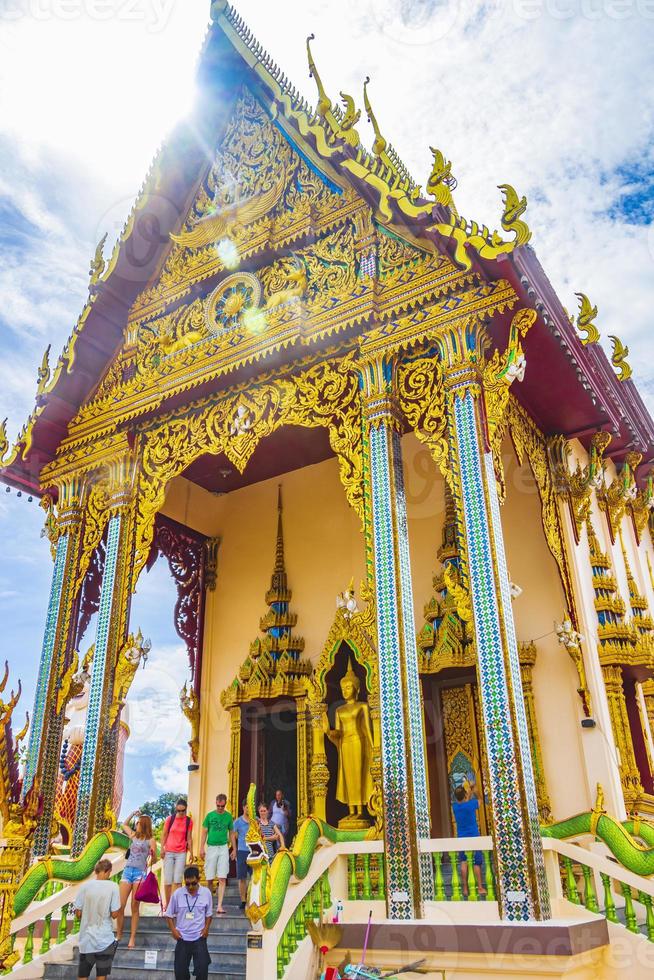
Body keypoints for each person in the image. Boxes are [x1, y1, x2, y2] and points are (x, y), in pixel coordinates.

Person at [73, 858, 120, 980]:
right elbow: (115, 914)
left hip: (87, 940)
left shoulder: (85, 886)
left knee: (82, 976)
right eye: (109, 872)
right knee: (101, 976)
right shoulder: (113, 887)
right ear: (107, 871)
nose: (109, 875)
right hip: (105, 940)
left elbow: (78, 913)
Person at [116, 810, 156, 947]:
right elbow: (123, 825)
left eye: (139, 823)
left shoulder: (151, 840)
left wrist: (153, 855)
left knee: (134, 906)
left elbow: (154, 860)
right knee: (120, 905)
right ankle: (119, 934)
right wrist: (133, 814)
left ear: (144, 825)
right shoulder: (133, 836)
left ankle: (132, 938)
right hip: (127, 871)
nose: (136, 824)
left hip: (140, 874)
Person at [165, 864, 212, 980]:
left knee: (202, 970)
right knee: (180, 972)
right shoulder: (177, 894)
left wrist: (206, 928)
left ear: (199, 880)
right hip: (182, 938)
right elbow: (168, 915)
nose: (190, 887)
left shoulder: (206, 893)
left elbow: (209, 914)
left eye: (193, 883)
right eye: (187, 884)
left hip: (199, 938)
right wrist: (173, 931)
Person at [200, 793, 235, 914]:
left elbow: (231, 833)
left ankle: (219, 905)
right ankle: (209, 904)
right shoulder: (210, 816)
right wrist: (201, 848)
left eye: (223, 806)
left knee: (222, 877)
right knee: (209, 878)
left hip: (223, 847)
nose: (220, 808)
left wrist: (234, 849)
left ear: (225, 804)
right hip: (211, 848)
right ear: (216, 803)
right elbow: (204, 832)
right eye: (219, 806)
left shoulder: (228, 817)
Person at [452, 782, 486, 897]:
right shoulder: (472, 804)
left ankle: (465, 889)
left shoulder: (455, 807)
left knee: (463, 862)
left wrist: (468, 792)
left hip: (461, 837)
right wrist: (476, 792)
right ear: (466, 795)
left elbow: (465, 801)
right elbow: (480, 801)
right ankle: (480, 887)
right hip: (473, 836)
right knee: (477, 863)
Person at [162, 798, 193, 908]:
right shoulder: (170, 819)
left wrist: (191, 853)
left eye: (183, 811)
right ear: (176, 809)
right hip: (169, 851)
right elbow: (164, 834)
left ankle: (176, 904)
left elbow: (189, 837)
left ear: (186, 809)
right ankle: (168, 903)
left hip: (181, 852)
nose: (180, 813)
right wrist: (162, 848)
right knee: (168, 880)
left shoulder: (189, 821)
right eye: (178, 811)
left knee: (178, 879)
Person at [233, 799, 251, 911]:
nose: (248, 809)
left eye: (250, 807)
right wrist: (235, 850)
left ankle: (252, 899)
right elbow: (232, 836)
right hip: (242, 851)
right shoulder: (238, 822)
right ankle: (243, 900)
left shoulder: (255, 821)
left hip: (254, 851)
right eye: (247, 807)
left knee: (255, 877)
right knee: (242, 877)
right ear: (243, 807)